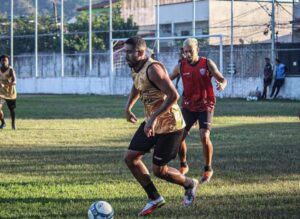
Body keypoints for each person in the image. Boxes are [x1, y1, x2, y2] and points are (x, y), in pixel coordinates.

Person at [123, 36, 198, 217]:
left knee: (160, 170)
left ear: (140, 53)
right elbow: (137, 85)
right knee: (130, 158)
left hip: (171, 126)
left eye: (128, 52)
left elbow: (174, 95)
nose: (125, 56)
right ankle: (154, 198)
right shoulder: (135, 67)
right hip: (152, 123)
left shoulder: (154, 69)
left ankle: (189, 183)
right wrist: (128, 107)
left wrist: (153, 118)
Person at [169, 38, 227, 183]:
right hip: (188, 105)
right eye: (185, 51)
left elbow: (222, 79)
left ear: (197, 50)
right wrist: (168, 88)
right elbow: (168, 79)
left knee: (204, 135)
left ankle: (208, 169)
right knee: (179, 136)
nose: (187, 54)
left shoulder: (207, 63)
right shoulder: (180, 66)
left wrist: (222, 85)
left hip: (205, 104)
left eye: (190, 51)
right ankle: (183, 165)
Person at [0, 55, 17, 130]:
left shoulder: (10, 70)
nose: (4, 62)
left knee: (12, 110)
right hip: (1, 93)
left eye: (5, 60)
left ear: (8, 61)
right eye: (2, 60)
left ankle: (13, 124)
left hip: (10, 93)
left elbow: (14, 82)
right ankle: (3, 123)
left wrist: (5, 84)